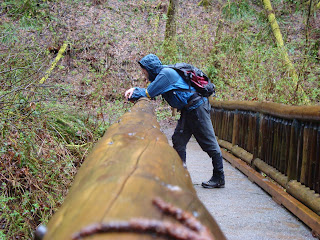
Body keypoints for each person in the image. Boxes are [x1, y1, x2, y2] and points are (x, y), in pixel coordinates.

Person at [124, 54, 225, 188]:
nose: (144, 74)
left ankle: (219, 177)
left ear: (150, 68)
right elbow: (153, 92)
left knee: (209, 142)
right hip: (188, 110)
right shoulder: (163, 74)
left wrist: (134, 91)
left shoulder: (165, 74)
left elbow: (149, 93)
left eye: (144, 71)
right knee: (178, 139)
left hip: (197, 108)